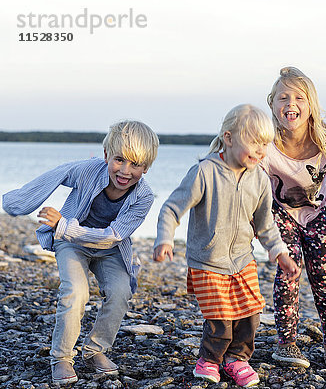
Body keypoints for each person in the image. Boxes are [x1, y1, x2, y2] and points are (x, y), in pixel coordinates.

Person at [153, 104, 300, 387]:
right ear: (229, 138)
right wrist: (165, 239)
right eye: (254, 142)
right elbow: (171, 208)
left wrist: (279, 251)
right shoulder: (204, 172)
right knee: (220, 319)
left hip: (242, 259)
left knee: (250, 314)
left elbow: (265, 223)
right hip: (208, 261)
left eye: (265, 144)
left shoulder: (258, 178)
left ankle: (236, 359)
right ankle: (209, 360)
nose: (260, 151)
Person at [2, 121, 159, 385]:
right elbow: (57, 174)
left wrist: (63, 225)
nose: (125, 171)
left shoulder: (144, 197)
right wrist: (18, 203)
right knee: (76, 291)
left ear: (146, 167)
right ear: (107, 155)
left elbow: (113, 236)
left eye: (136, 165)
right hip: (70, 243)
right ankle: (61, 357)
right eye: (119, 160)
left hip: (108, 248)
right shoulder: (88, 170)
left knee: (121, 292)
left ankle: (95, 349)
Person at [262, 67, 326, 368]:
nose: (290, 103)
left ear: (310, 105)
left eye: (298, 98)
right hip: (280, 214)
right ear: (273, 104)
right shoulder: (266, 143)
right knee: (289, 273)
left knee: (324, 276)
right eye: (283, 97)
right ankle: (287, 343)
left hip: (318, 214)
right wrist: (257, 227)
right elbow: (256, 190)